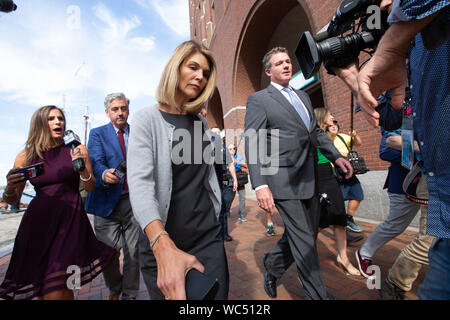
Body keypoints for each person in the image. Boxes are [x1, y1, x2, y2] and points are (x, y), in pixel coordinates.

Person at [356, 0, 450, 299]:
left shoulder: (416, 45)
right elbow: (386, 140)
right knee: (401, 225)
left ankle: (394, 279)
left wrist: (392, 47)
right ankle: (391, 277)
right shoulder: (413, 58)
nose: (386, 5)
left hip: (431, 180)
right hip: (411, 179)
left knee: (424, 235)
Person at [244, 47, 353, 300]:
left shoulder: (303, 97)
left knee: (307, 233)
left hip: (310, 178)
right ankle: (319, 295)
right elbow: (253, 141)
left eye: (287, 61)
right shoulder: (259, 99)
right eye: (279, 63)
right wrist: (260, 185)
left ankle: (272, 265)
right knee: (304, 240)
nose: (286, 65)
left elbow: (314, 133)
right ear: (269, 71)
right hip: (282, 180)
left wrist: (336, 156)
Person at [127, 40, 229, 300]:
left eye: (205, 73)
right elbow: (140, 185)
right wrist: (161, 243)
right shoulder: (146, 119)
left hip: (207, 237)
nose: (200, 77)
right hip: (161, 241)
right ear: (175, 67)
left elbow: (206, 178)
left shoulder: (201, 124)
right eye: (193, 67)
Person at [0, 105, 115, 300]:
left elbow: (89, 187)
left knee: (61, 286)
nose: (58, 122)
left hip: (71, 221)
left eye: (60, 118)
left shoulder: (77, 149)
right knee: (42, 289)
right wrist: (11, 185)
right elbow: (12, 200)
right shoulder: (25, 155)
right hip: (37, 226)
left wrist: (82, 170)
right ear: (40, 124)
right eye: (51, 119)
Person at [84, 93, 141, 300]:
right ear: (107, 112)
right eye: (115, 109)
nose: (120, 113)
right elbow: (95, 160)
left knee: (134, 253)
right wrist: (102, 174)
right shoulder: (98, 134)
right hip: (106, 203)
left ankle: (130, 294)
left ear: (128, 110)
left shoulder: (138, 133)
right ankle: (115, 289)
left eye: (123, 108)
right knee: (108, 255)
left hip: (133, 202)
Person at [314, 108, 361, 276]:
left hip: (330, 176)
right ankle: (303, 247)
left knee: (339, 218)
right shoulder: (314, 135)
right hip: (317, 178)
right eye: (330, 116)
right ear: (321, 118)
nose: (333, 118)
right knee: (321, 220)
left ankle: (344, 258)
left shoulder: (328, 135)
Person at [326, 124, 364, 233]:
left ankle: (348, 219)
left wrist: (355, 135)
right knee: (338, 200)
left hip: (348, 171)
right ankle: (337, 224)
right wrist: (340, 155)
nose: (334, 127)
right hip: (333, 173)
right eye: (330, 126)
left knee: (357, 194)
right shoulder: (324, 139)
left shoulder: (342, 137)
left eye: (335, 125)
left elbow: (358, 143)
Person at [211, 129, 237, 242]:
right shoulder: (208, 147)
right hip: (212, 184)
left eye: (218, 132)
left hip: (225, 184)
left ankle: (224, 233)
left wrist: (235, 180)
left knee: (225, 210)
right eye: (214, 132)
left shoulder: (224, 149)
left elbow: (231, 165)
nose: (217, 134)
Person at [227, 143, 248, 222]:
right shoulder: (225, 158)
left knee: (242, 198)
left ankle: (241, 215)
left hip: (240, 178)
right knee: (229, 198)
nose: (232, 150)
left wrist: (236, 161)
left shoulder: (239, 157)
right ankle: (227, 211)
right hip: (230, 179)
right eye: (230, 149)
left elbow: (245, 165)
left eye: (233, 148)